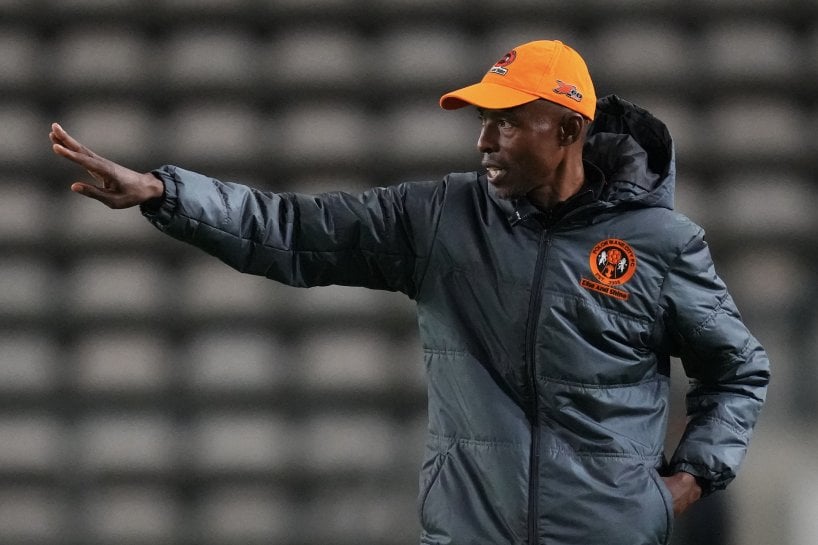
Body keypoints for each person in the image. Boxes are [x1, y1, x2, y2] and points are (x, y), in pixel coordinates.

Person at [50, 39, 769, 545]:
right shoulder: (439, 217)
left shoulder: (660, 243)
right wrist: (166, 193)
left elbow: (738, 370)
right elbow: (296, 230)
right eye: (484, 120)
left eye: (509, 121)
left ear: (570, 129)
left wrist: (683, 484)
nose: (485, 139)